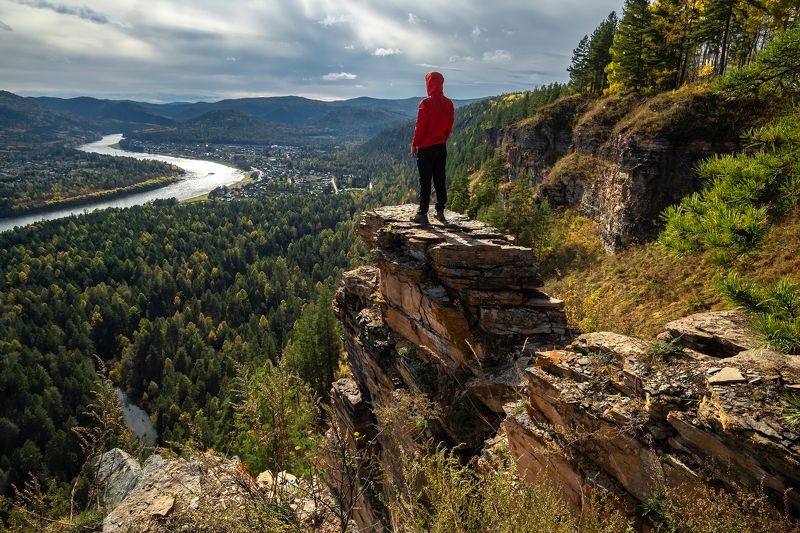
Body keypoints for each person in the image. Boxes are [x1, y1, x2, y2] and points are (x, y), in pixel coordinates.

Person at [411, 71, 454, 224]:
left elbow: (420, 127)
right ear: (441, 83)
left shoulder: (426, 103)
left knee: (425, 181)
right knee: (440, 179)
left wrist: (415, 144)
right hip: (441, 147)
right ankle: (440, 212)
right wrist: (443, 138)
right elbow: (449, 126)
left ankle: (422, 214)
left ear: (428, 83)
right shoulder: (449, 103)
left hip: (426, 148)